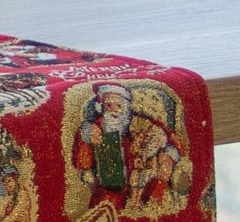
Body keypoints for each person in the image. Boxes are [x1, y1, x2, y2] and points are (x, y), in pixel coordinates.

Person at [73, 81, 185, 209]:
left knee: (156, 197)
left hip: (143, 179)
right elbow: (82, 151)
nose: (113, 110)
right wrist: (86, 133)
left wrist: (169, 156)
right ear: (101, 107)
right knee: (105, 205)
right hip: (110, 184)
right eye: (108, 105)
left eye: (118, 105)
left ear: (126, 107)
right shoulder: (97, 126)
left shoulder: (139, 123)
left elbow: (168, 137)